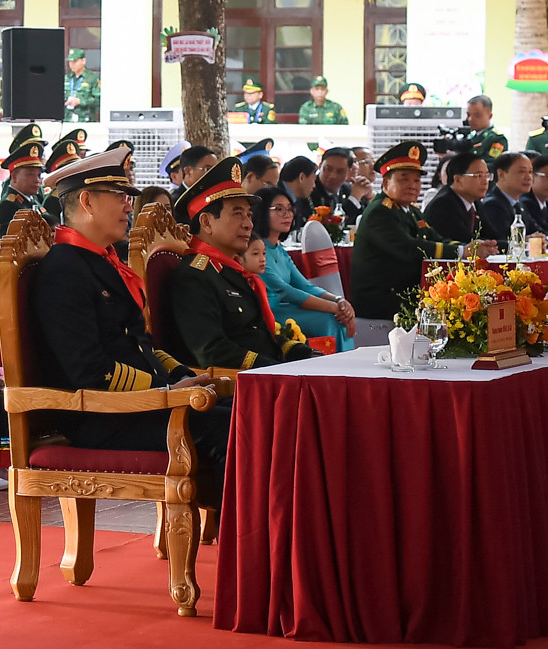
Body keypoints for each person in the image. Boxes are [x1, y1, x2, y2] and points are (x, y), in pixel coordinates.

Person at [26, 147, 227, 502]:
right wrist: (165, 390)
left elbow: (139, 344)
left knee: (244, 414)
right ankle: (245, 542)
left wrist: (179, 376)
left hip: (139, 405)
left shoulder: (98, 261)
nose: (128, 206)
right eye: (119, 196)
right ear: (86, 201)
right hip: (103, 415)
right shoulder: (65, 270)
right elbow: (89, 370)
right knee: (233, 428)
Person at [161, 159, 316, 374]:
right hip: (234, 390)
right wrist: (274, 369)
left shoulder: (230, 269)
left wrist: (297, 351)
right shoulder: (194, 277)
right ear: (206, 222)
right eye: (237, 213)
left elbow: (257, 332)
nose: (248, 224)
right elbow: (212, 351)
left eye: (249, 214)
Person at [348, 141, 460, 323]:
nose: (412, 185)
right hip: (382, 302)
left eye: (416, 180)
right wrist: (462, 252)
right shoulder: (380, 211)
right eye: (404, 179)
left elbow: (437, 239)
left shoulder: (412, 211)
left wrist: (471, 248)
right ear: (385, 183)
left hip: (404, 295)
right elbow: (409, 248)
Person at [252, 188, 354, 351]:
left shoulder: (279, 249)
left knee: (335, 317)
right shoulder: (255, 250)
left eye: (289, 209)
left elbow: (305, 286)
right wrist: (335, 308)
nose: (287, 214)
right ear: (262, 211)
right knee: (331, 318)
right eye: (279, 209)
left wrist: (338, 301)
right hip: (271, 313)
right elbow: (285, 291)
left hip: (287, 309)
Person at [422, 151, 492, 246]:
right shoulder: (443, 204)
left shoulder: (474, 202)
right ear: (458, 179)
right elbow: (466, 241)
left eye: (487, 176)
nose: (485, 182)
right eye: (479, 176)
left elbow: (491, 234)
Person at [479, 152, 535, 241]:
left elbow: (534, 230)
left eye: (530, 172)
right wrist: (529, 240)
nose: (529, 177)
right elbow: (503, 240)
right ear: (501, 174)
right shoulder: (492, 204)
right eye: (522, 171)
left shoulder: (518, 203)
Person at [62, 48, 100, 123]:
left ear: (83, 61)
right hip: (68, 120)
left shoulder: (92, 78)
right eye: (70, 62)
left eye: (75, 61)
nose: (72, 64)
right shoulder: (67, 77)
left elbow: (98, 100)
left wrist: (80, 101)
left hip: (85, 120)